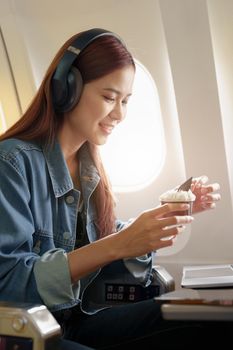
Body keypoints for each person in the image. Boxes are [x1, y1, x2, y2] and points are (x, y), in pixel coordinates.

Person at [0, 28, 222, 350]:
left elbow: (104, 260)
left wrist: (160, 221)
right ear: (67, 89)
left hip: (77, 319)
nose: (119, 114)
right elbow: (9, 284)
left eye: (126, 101)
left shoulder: (89, 167)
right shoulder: (12, 164)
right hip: (31, 331)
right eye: (109, 97)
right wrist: (118, 244)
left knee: (210, 318)